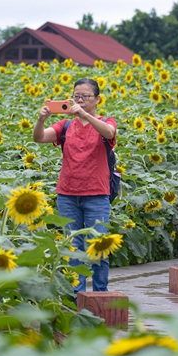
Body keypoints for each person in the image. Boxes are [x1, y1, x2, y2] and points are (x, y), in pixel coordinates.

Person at [33, 78, 116, 294]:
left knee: (98, 248)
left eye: (85, 96)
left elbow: (109, 133)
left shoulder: (106, 120)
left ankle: (100, 296)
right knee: (73, 249)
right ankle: (75, 296)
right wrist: (41, 120)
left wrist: (84, 114)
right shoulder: (66, 125)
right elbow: (39, 138)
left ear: (97, 99)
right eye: (76, 96)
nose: (79, 100)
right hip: (67, 195)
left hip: (97, 195)